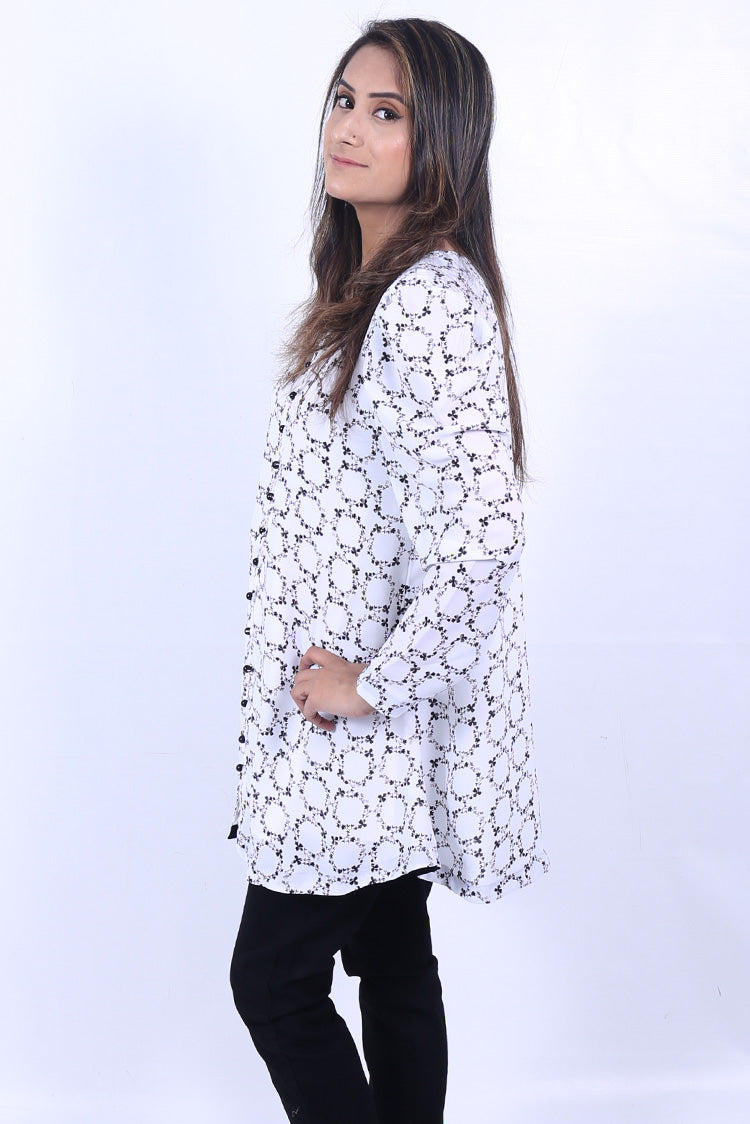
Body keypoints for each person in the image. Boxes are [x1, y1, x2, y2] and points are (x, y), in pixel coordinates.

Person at [229, 17, 548, 1123]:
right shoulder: (372, 290)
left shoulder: (426, 302)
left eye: (386, 111)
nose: (349, 127)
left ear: (441, 140)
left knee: (272, 979)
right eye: (342, 99)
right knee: (391, 958)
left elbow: (486, 541)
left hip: (360, 727)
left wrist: (371, 683)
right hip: (359, 729)